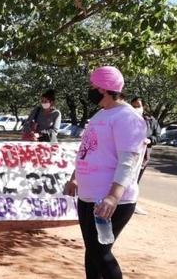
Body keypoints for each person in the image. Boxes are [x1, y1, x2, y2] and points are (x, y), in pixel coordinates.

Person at [63, 66, 147, 279]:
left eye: (92, 86)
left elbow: (128, 161)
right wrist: (75, 178)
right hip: (87, 197)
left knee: (100, 253)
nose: (89, 90)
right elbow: (88, 150)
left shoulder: (127, 117)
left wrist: (112, 197)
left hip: (109, 202)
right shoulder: (101, 114)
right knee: (92, 252)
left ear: (103, 89)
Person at [130, 96, 161, 215]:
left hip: (143, 156)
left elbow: (158, 136)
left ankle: (132, 204)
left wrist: (149, 140)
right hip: (128, 154)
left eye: (138, 106)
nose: (136, 108)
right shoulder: (127, 119)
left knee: (135, 181)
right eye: (133, 106)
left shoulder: (151, 120)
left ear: (144, 107)